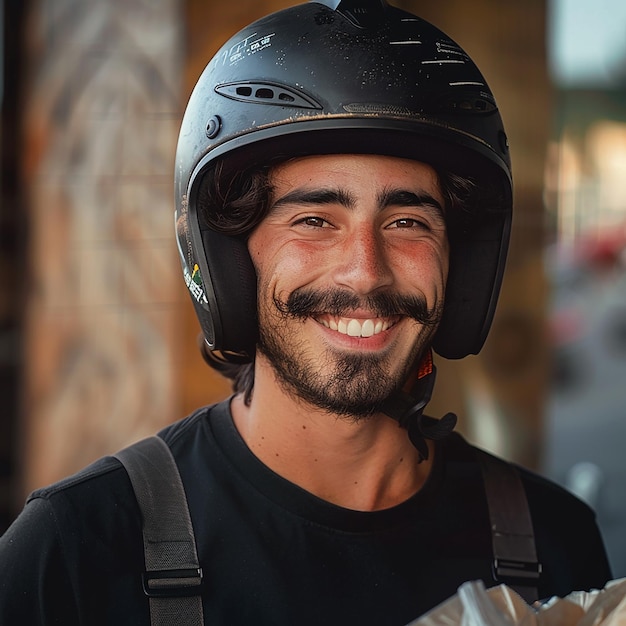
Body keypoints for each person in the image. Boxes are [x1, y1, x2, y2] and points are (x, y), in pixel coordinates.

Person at [0, 1, 612, 624]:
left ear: (463, 265)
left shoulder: (549, 541)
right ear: (232, 261)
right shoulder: (77, 551)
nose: (366, 271)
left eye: (407, 222)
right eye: (314, 220)